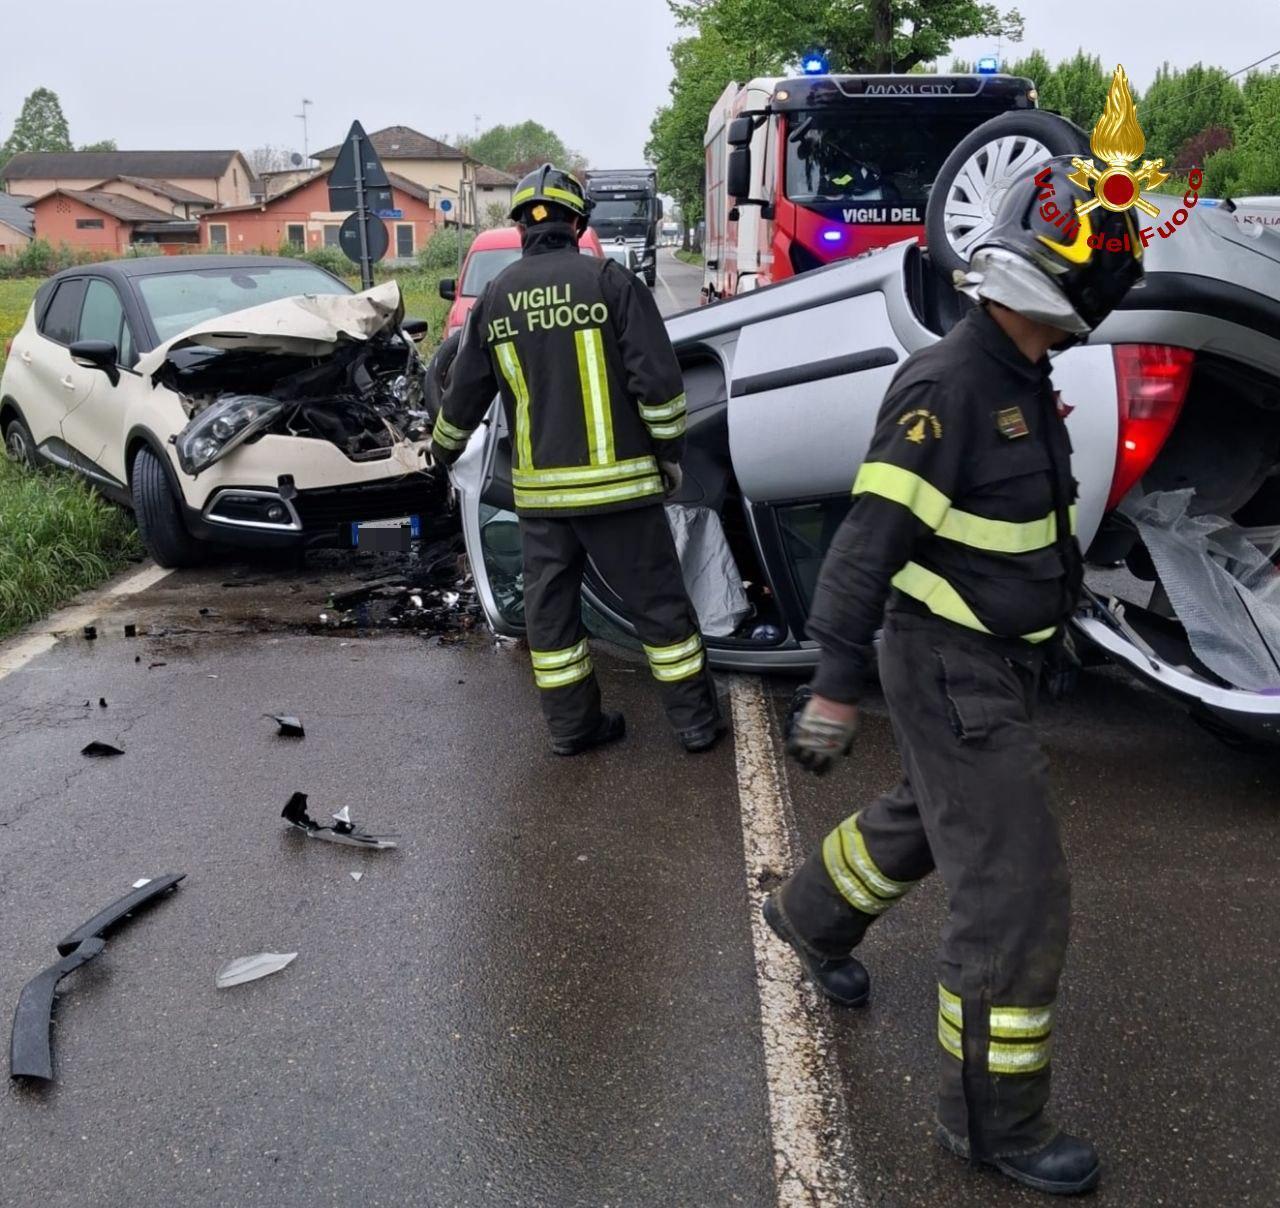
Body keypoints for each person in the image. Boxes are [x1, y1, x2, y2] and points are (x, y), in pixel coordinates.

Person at [765, 156, 1144, 1196]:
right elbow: (862, 544)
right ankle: (989, 1123)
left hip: (992, 659)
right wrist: (834, 685)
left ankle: (808, 913)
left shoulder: (1021, 373)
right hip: (947, 663)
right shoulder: (947, 384)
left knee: (929, 818)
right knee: (1012, 894)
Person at [431, 164, 724, 757]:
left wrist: (440, 452)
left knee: (552, 622)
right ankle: (694, 725)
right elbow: (662, 389)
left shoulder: (494, 299)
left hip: (541, 504)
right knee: (660, 609)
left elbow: (463, 397)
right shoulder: (612, 282)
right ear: (577, 222)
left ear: (520, 229)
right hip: (621, 493)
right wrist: (668, 456)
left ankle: (571, 728)